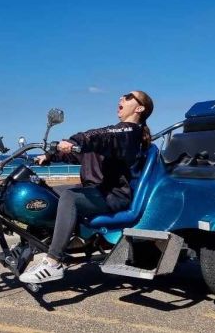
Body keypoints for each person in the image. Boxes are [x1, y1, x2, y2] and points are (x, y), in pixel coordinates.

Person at [19, 90, 154, 284]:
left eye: (128, 96)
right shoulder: (114, 135)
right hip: (95, 191)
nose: (121, 98)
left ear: (140, 108)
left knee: (70, 197)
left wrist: (76, 141)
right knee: (44, 195)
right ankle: (32, 243)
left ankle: (53, 262)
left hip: (113, 195)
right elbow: (82, 153)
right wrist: (50, 156)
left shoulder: (130, 133)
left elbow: (100, 136)